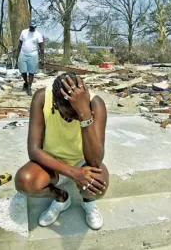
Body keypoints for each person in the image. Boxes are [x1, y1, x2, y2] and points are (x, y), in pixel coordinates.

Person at [15, 72, 109, 230]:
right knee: (25, 181)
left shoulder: (96, 104)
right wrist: (73, 173)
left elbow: (95, 161)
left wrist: (85, 114)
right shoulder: (42, 98)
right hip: (50, 161)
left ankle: (88, 202)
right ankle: (61, 198)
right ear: (56, 105)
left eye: (79, 114)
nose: (77, 118)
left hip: (82, 161)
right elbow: (34, 150)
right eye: (71, 114)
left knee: (98, 184)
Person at [15, 19, 44, 96]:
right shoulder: (24, 32)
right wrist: (17, 55)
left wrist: (42, 59)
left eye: (33, 27)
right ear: (29, 26)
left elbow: (41, 47)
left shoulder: (38, 35)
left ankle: (29, 88)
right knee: (23, 70)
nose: (32, 28)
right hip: (23, 53)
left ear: (36, 27)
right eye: (31, 27)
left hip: (33, 55)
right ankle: (26, 83)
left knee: (31, 72)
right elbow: (20, 44)